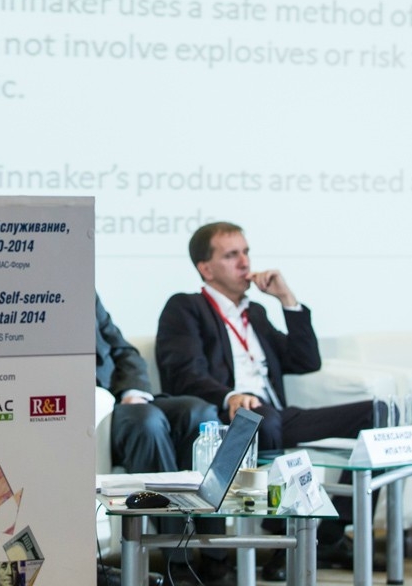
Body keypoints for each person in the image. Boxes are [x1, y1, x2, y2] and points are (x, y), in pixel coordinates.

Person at [155, 222, 378, 577]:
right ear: (206, 269)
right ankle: (280, 543)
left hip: (275, 415)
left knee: (377, 414)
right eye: (232, 255)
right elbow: (183, 372)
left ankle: (331, 535)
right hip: (228, 417)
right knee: (262, 416)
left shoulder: (255, 313)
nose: (245, 262)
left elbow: (306, 361)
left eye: (246, 252)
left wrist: (287, 300)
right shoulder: (186, 307)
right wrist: (230, 395)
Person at [96, 294, 233, 586]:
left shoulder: (84, 293)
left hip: (125, 401)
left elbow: (124, 351)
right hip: (95, 411)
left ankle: (215, 556)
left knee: (201, 413)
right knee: (148, 424)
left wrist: (133, 391)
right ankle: (177, 563)